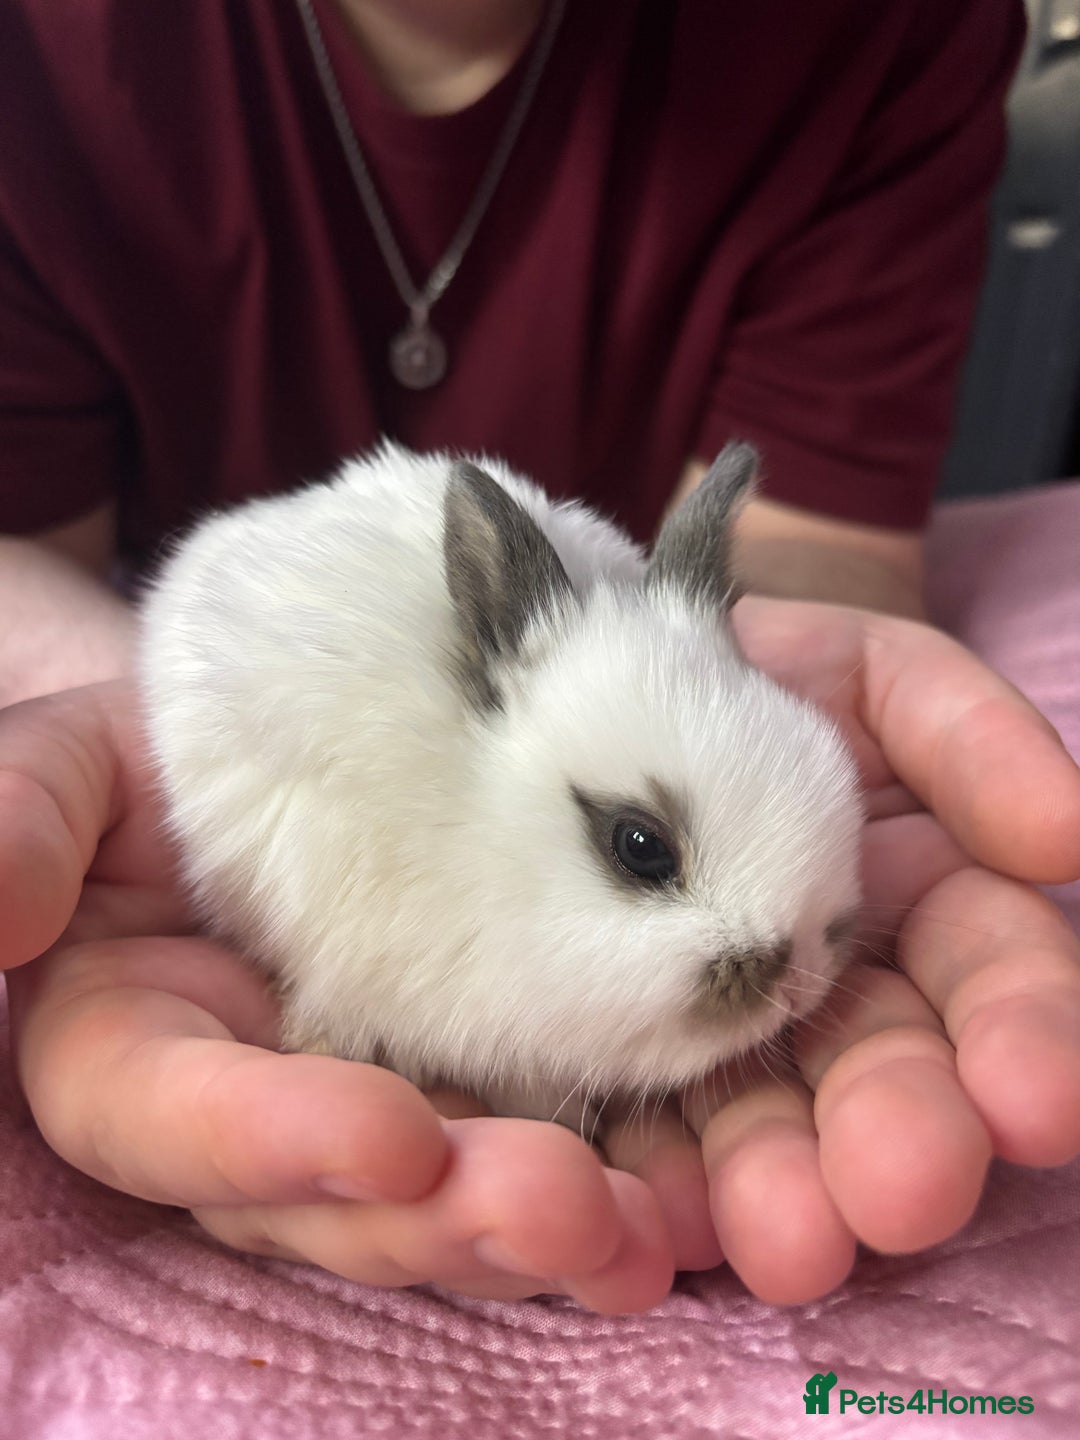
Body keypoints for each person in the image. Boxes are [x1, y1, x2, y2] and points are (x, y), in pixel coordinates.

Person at [1, 0, 1078, 1313]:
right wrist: (108, 724)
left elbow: (813, 546)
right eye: (639, 853)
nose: (784, 974)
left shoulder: (886, 35)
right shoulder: (58, 52)